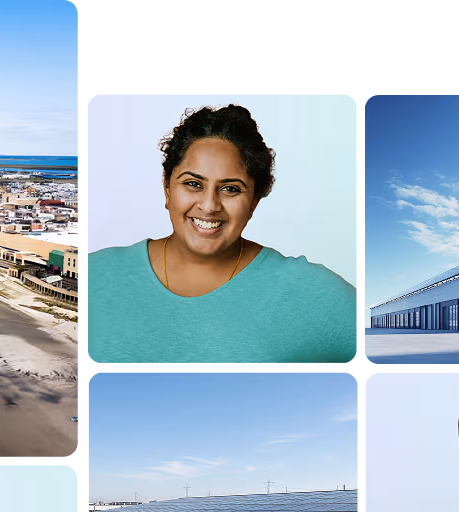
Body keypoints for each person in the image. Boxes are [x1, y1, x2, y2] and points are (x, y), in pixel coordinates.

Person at [88, 104, 356, 364]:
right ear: (167, 189)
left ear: (254, 201)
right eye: (193, 184)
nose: (209, 206)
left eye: (231, 189)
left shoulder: (306, 292)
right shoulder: (97, 273)